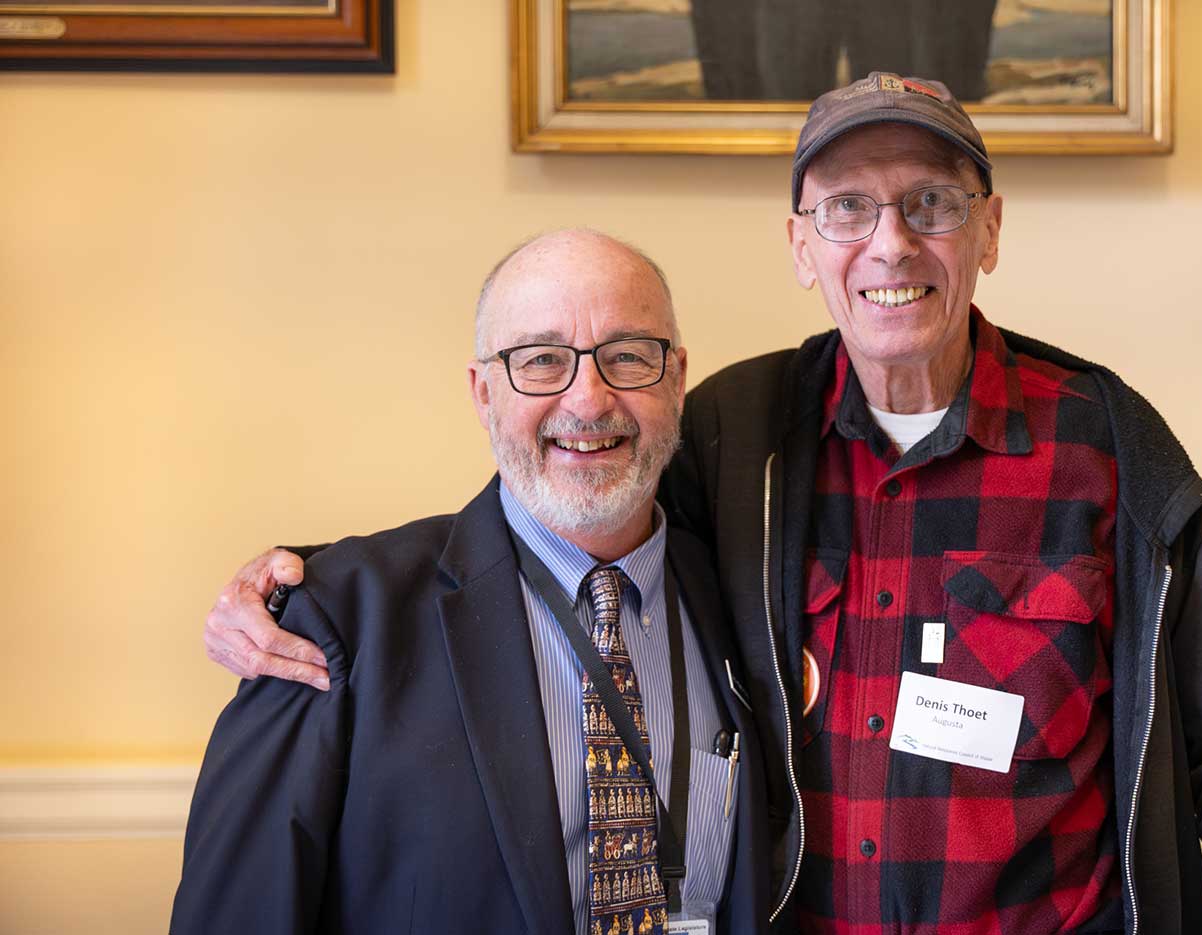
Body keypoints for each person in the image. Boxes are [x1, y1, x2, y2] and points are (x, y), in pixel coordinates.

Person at [203, 74, 1202, 935]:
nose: (890, 242)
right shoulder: (735, 439)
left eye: (930, 203)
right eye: (846, 208)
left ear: (988, 229)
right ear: (801, 245)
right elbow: (563, 501)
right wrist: (308, 583)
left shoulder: (1109, 448)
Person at [173, 230, 769, 935]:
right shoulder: (336, 625)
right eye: (541, 360)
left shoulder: (747, 598)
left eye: (628, 356)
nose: (588, 399)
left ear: (676, 380)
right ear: (483, 393)